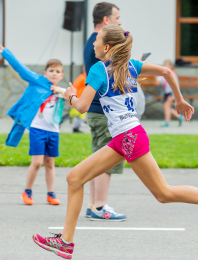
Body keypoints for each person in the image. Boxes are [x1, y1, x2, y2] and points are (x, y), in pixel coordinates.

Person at [32, 25, 198, 259]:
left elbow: (83, 106)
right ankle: (66, 242)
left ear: (106, 47)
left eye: (97, 41)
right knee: (74, 178)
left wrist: (70, 96)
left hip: (128, 137)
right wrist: (179, 100)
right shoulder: (131, 66)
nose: (93, 44)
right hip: (125, 137)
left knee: (164, 193)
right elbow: (167, 72)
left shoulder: (98, 70)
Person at [0, 45, 65, 206]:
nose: (54, 73)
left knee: (50, 163)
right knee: (38, 162)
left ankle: (51, 194)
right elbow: (21, 69)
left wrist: (59, 90)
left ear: (62, 75)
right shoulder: (38, 81)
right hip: (38, 129)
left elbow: (75, 98)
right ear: (45, 73)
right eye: (51, 70)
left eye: (57, 71)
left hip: (53, 131)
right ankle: (27, 191)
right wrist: (6, 53)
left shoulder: (61, 90)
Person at [83, 2, 126, 221]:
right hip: (103, 111)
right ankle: (100, 206)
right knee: (106, 160)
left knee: (98, 157)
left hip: (97, 111)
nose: (120, 21)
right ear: (106, 20)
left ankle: (94, 205)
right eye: (117, 17)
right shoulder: (99, 45)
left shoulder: (92, 42)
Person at [157, 60, 183, 127]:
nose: (165, 66)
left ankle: (167, 122)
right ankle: (179, 117)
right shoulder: (165, 74)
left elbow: (175, 85)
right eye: (164, 65)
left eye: (167, 65)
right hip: (167, 92)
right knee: (167, 108)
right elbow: (159, 83)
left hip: (171, 93)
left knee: (166, 107)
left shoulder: (171, 74)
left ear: (171, 66)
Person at [70, 65, 87, 133]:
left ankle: (76, 128)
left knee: (81, 115)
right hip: (78, 98)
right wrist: (75, 97)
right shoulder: (82, 77)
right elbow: (75, 86)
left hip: (83, 99)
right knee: (73, 113)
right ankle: (61, 122)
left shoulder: (87, 77)